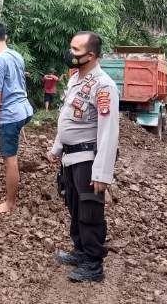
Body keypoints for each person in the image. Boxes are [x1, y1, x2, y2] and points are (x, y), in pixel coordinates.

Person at [46, 31, 119, 282]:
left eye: (75, 51)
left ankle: (94, 263)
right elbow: (67, 118)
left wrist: (102, 172)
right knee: (74, 207)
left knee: (90, 211)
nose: (70, 54)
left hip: (88, 158)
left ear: (90, 55)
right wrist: (57, 148)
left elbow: (108, 131)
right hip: (70, 157)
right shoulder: (75, 79)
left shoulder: (104, 86)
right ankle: (80, 250)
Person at [0, 21, 33, 215]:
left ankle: (10, 204)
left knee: (10, 161)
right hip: (25, 109)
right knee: (11, 155)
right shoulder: (16, 55)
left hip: (10, 115)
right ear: (6, 38)